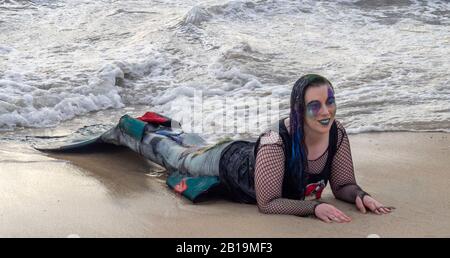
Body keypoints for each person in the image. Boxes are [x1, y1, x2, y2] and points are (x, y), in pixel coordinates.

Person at [99, 74, 394, 223]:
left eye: (329, 101)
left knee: (189, 145)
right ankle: (130, 129)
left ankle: (170, 129)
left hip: (244, 159)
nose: (325, 112)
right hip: (227, 163)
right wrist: (315, 207)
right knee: (175, 157)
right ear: (297, 110)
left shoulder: (337, 134)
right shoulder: (275, 143)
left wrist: (360, 195)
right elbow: (268, 204)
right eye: (313, 105)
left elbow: (342, 184)